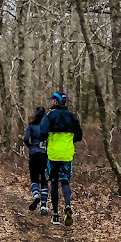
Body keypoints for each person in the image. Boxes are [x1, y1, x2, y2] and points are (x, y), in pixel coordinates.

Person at [39, 92, 82, 226]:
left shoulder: (50, 116)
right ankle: (68, 205)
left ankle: (56, 215)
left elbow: (42, 133)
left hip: (53, 154)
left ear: (56, 102)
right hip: (67, 153)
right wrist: (69, 141)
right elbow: (79, 135)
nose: (52, 102)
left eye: (53, 100)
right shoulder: (72, 117)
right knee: (65, 181)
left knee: (53, 182)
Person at [24, 107, 49, 215]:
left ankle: (36, 195)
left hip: (33, 154)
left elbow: (25, 139)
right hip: (44, 155)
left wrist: (31, 147)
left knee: (34, 178)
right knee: (44, 181)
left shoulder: (31, 126)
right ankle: (43, 206)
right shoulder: (47, 127)